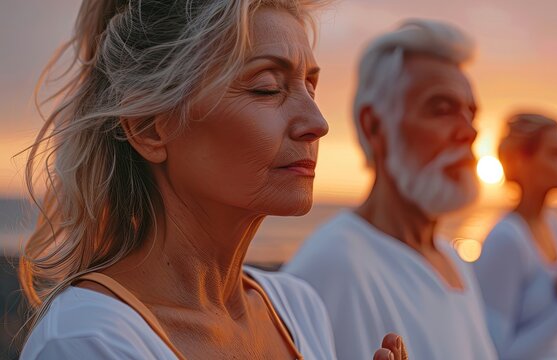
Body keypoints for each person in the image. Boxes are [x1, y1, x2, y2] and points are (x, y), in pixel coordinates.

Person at [18, 1, 406, 359]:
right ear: (150, 129)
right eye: (267, 88)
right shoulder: (86, 340)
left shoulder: (298, 309)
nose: (317, 123)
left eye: (310, 86)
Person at [283, 19, 497, 359]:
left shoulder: (451, 257)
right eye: (442, 109)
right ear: (374, 126)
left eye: (471, 113)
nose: (469, 131)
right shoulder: (334, 267)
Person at [473, 113, 557, 359]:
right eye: (555, 153)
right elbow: (496, 354)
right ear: (521, 162)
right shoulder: (506, 240)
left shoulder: (550, 223)